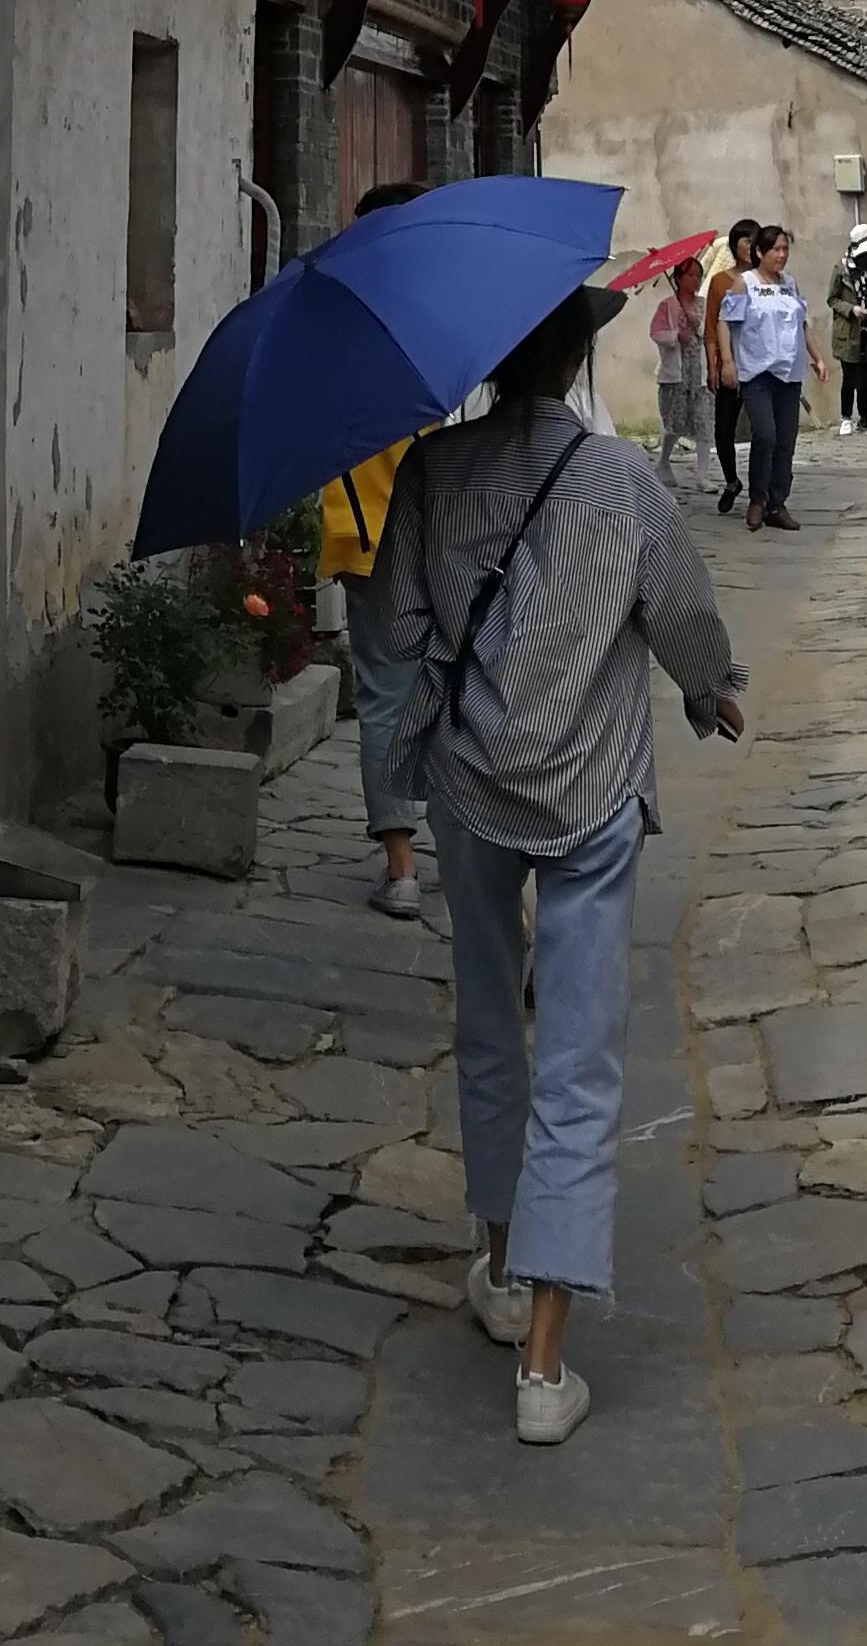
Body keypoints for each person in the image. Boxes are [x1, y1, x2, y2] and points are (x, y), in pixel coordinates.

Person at [364, 278, 744, 1447]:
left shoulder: (431, 473)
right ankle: (545, 1368)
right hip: (590, 793)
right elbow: (683, 617)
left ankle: (495, 1266)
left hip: (473, 789)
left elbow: (392, 638)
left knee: (489, 1029)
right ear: (576, 360)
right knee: (580, 1063)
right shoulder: (623, 482)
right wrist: (708, 690)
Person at [320, 178, 429, 916]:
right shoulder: (448, 312)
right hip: (453, 529)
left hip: (369, 535)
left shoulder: (333, 319)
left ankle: (402, 870)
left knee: (387, 699)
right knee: (465, 687)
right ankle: (476, 846)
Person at [720, 225, 815, 527]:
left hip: (789, 373)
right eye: (776, 249)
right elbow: (725, 322)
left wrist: (818, 358)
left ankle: (777, 503)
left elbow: (802, 325)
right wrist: (727, 361)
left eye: (785, 249)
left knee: (786, 439)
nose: (782, 255)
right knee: (766, 435)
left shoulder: (790, 284)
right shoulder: (743, 283)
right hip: (758, 373)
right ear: (760, 252)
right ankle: (757, 499)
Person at [703, 215, 761, 515]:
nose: (749, 248)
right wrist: (714, 365)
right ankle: (731, 480)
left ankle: (760, 491)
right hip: (730, 365)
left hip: (759, 367)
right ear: (735, 245)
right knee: (723, 430)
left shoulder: (765, 281)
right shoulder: (720, 282)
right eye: (745, 241)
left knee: (762, 431)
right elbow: (712, 326)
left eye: (754, 241)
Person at [648, 255, 714, 490]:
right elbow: (656, 332)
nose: (695, 280)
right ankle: (663, 462)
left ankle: (702, 475)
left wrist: (699, 327)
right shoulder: (668, 305)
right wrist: (676, 336)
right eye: (690, 275)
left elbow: (713, 333)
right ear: (678, 278)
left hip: (700, 370)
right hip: (677, 372)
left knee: (704, 421)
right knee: (674, 423)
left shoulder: (703, 305)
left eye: (698, 275)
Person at [827, 229, 867, 438]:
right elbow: (833, 299)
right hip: (850, 330)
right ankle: (847, 416)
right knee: (851, 377)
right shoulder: (841, 269)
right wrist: (852, 309)